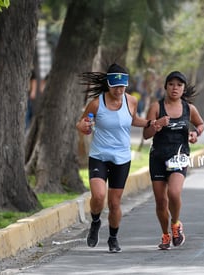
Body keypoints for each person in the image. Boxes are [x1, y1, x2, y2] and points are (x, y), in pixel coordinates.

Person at [76, 63, 167, 253]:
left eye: (122, 86)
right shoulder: (96, 103)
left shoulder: (131, 101)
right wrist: (84, 126)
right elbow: (83, 123)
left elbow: (133, 119)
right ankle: (94, 222)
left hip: (122, 158)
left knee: (114, 202)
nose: (119, 90)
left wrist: (151, 123)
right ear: (108, 84)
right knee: (99, 196)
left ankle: (113, 238)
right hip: (99, 155)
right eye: (115, 86)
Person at [143, 71, 204, 250]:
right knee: (161, 201)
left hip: (179, 156)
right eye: (171, 84)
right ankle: (165, 234)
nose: (175, 88)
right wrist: (156, 125)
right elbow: (146, 135)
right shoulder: (156, 107)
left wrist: (195, 133)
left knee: (174, 193)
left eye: (179, 85)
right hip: (158, 157)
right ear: (166, 87)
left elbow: (200, 124)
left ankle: (176, 224)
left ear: (183, 88)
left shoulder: (188, 108)